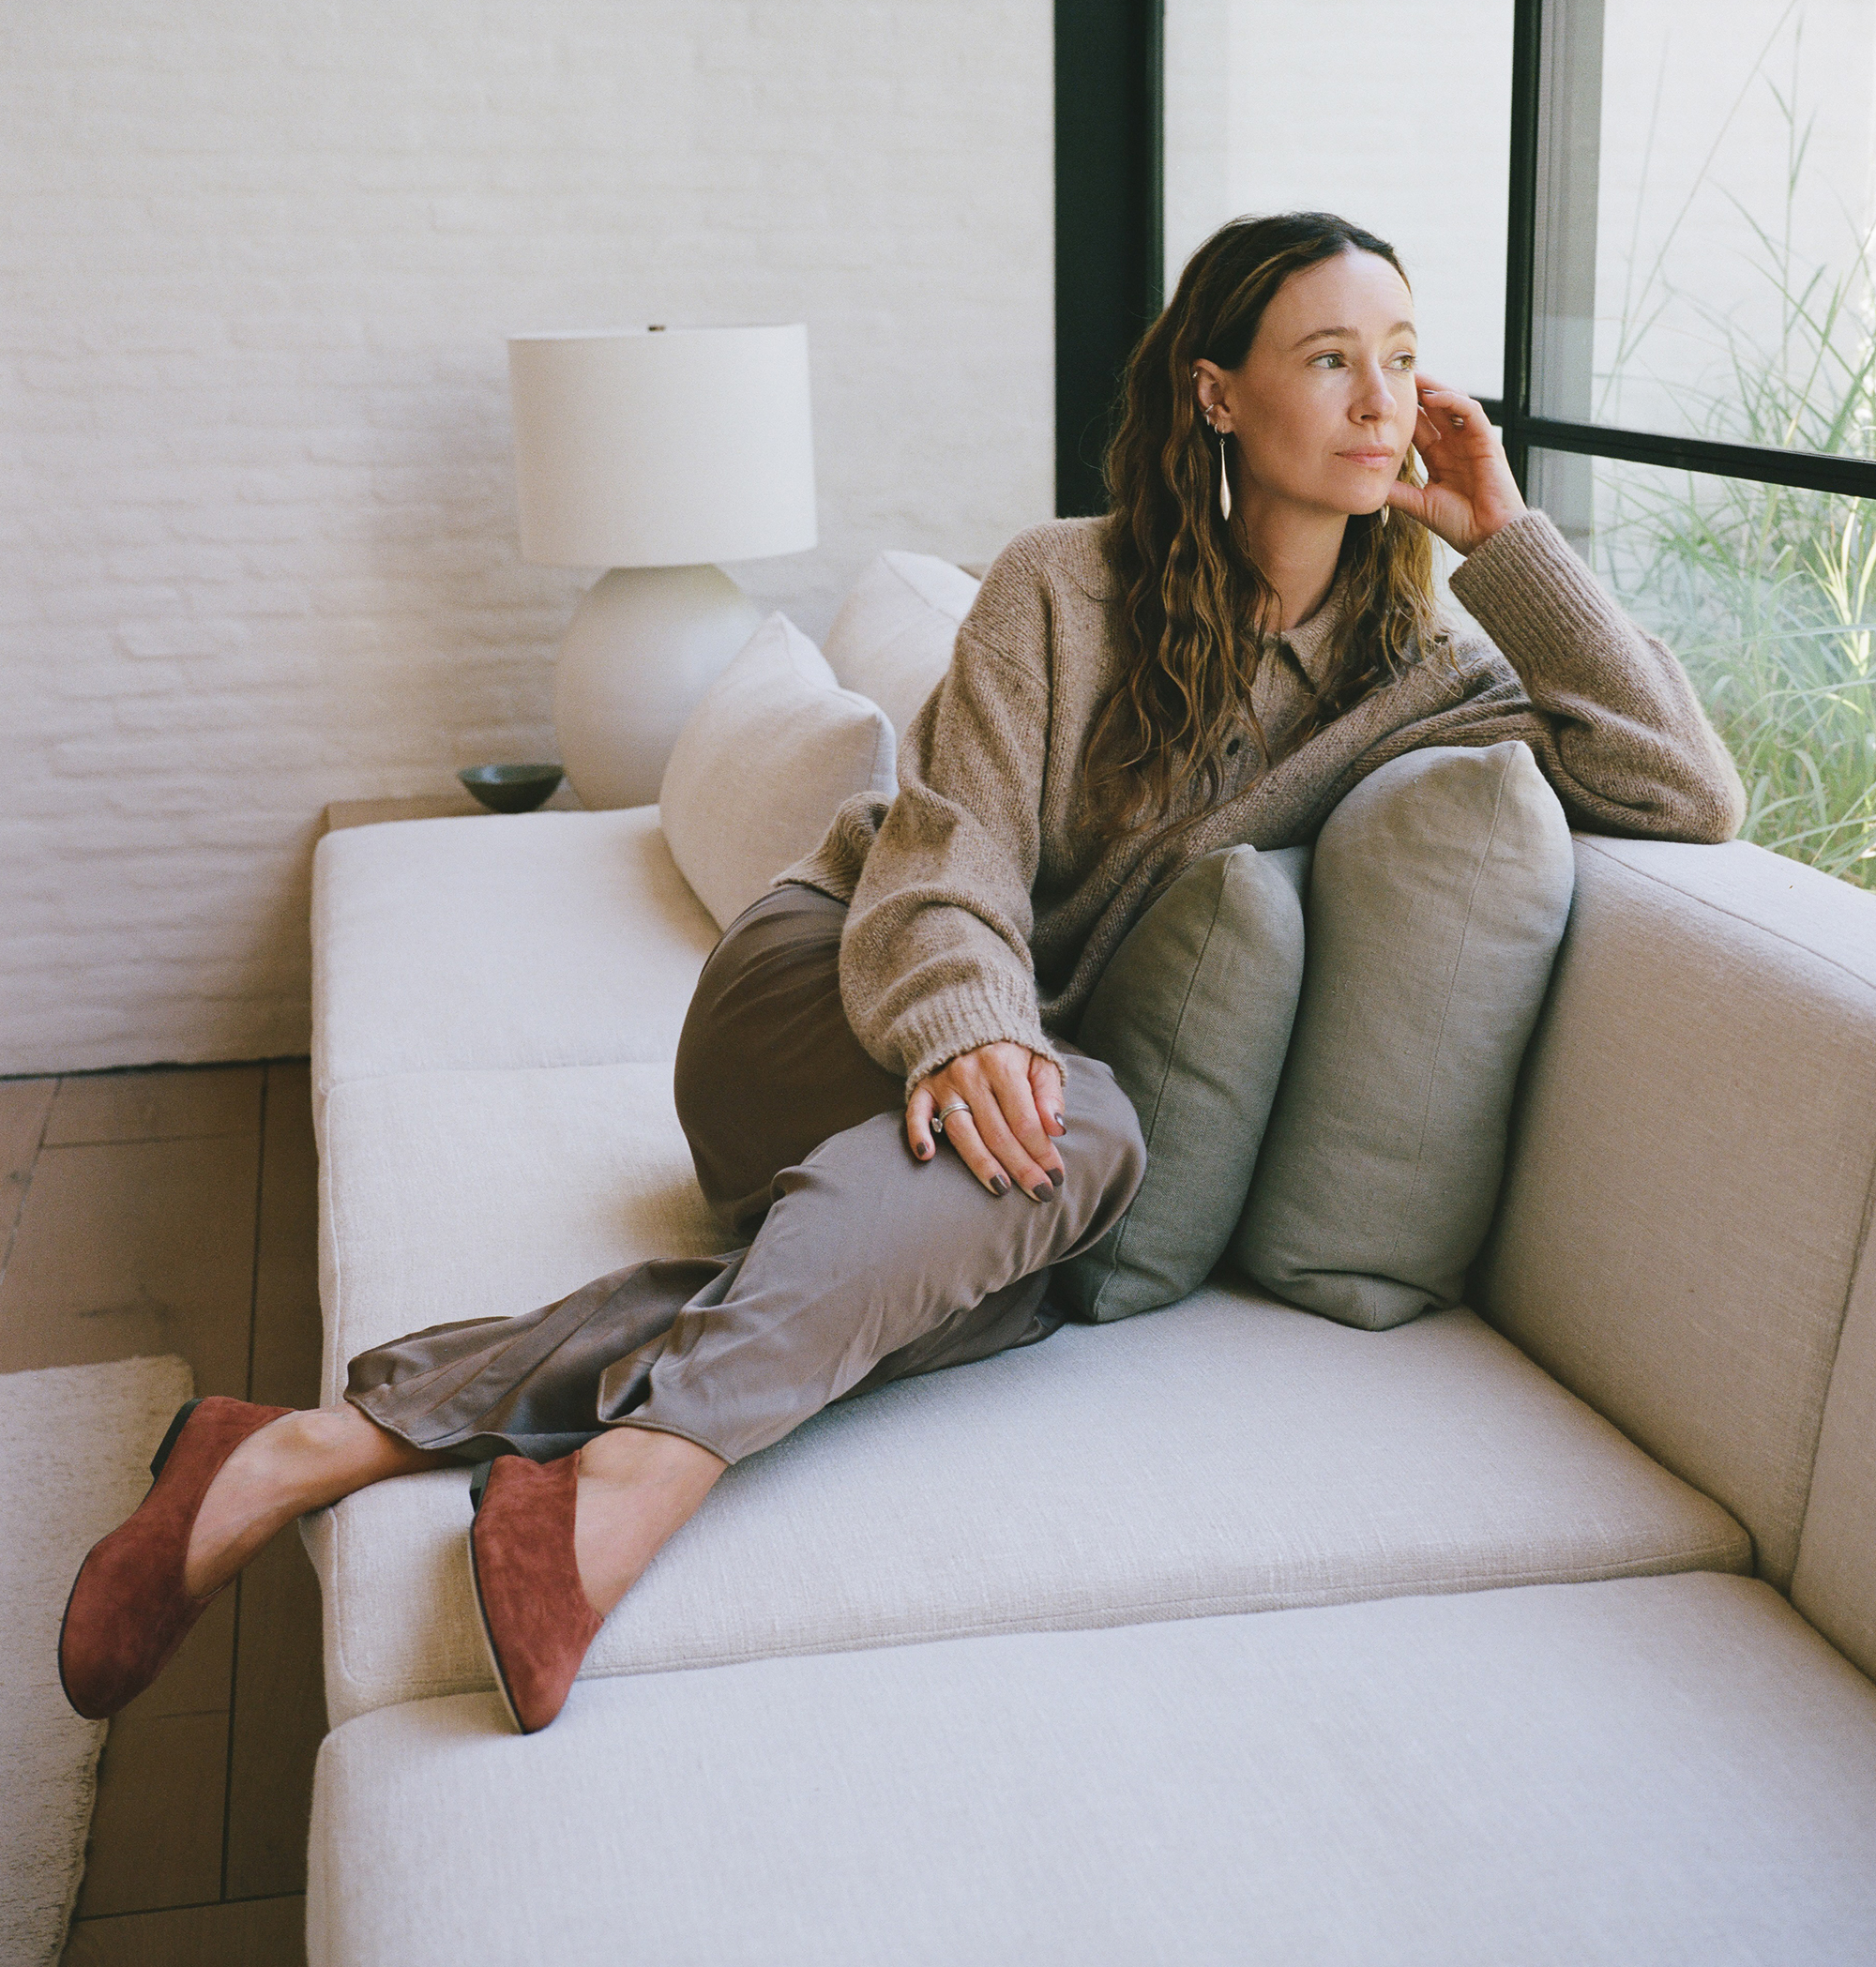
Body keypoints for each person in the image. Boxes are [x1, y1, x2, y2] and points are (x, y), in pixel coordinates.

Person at [59, 212, 1743, 1736]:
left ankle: (308, 1445)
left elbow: (1683, 788)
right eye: (1328, 359)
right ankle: (638, 1476)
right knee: (1081, 1141)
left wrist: (1504, 536)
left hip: (984, 1131)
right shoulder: (1063, 583)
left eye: (1400, 360)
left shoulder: (1419, 673)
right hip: (814, 995)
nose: (1381, 401)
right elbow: (947, 852)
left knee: (1012, 1256)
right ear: (1218, 396)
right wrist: (967, 1028)